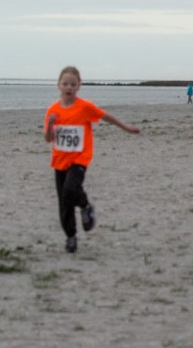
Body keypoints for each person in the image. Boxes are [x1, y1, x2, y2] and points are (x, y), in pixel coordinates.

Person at [44, 66, 140, 253]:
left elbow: (105, 116)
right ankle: (71, 237)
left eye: (73, 84)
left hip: (79, 159)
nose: (69, 87)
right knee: (64, 202)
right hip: (60, 161)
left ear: (78, 86)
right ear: (59, 85)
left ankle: (85, 206)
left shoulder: (84, 107)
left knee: (71, 189)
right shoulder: (53, 110)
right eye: (65, 84)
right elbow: (48, 139)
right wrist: (50, 125)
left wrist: (125, 127)